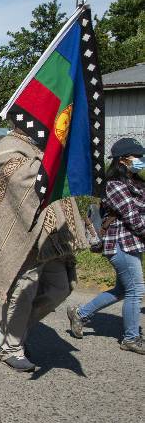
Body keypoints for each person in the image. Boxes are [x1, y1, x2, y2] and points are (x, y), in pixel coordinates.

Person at [0, 127, 87, 373]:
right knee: (24, 288)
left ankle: (15, 331)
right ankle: (11, 347)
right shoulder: (8, 146)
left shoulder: (45, 145)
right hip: (22, 233)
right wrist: (51, 162)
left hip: (52, 236)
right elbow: (19, 180)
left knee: (61, 287)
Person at [68, 138, 145, 354]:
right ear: (123, 160)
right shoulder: (115, 186)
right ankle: (131, 338)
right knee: (135, 290)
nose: (141, 160)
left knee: (123, 289)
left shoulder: (137, 183)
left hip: (133, 243)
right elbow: (133, 217)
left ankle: (81, 314)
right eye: (137, 156)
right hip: (120, 244)